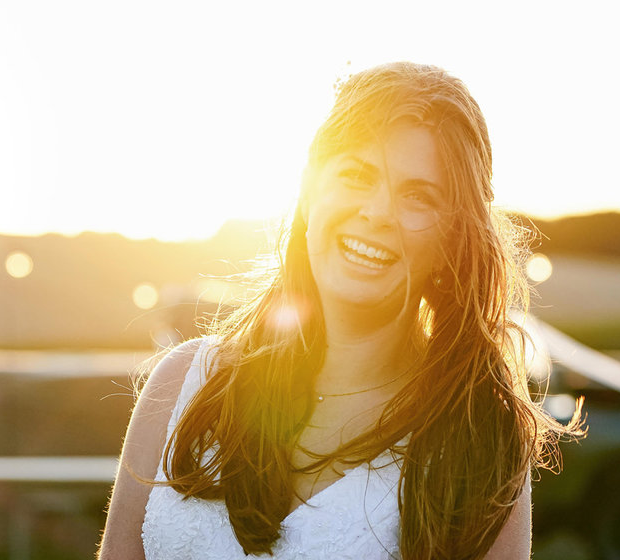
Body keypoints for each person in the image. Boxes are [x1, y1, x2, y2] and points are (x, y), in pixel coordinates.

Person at [99, 62, 582, 559]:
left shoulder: (480, 445)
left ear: (453, 238)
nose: (376, 212)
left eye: (417, 196)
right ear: (310, 190)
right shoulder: (182, 385)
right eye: (356, 174)